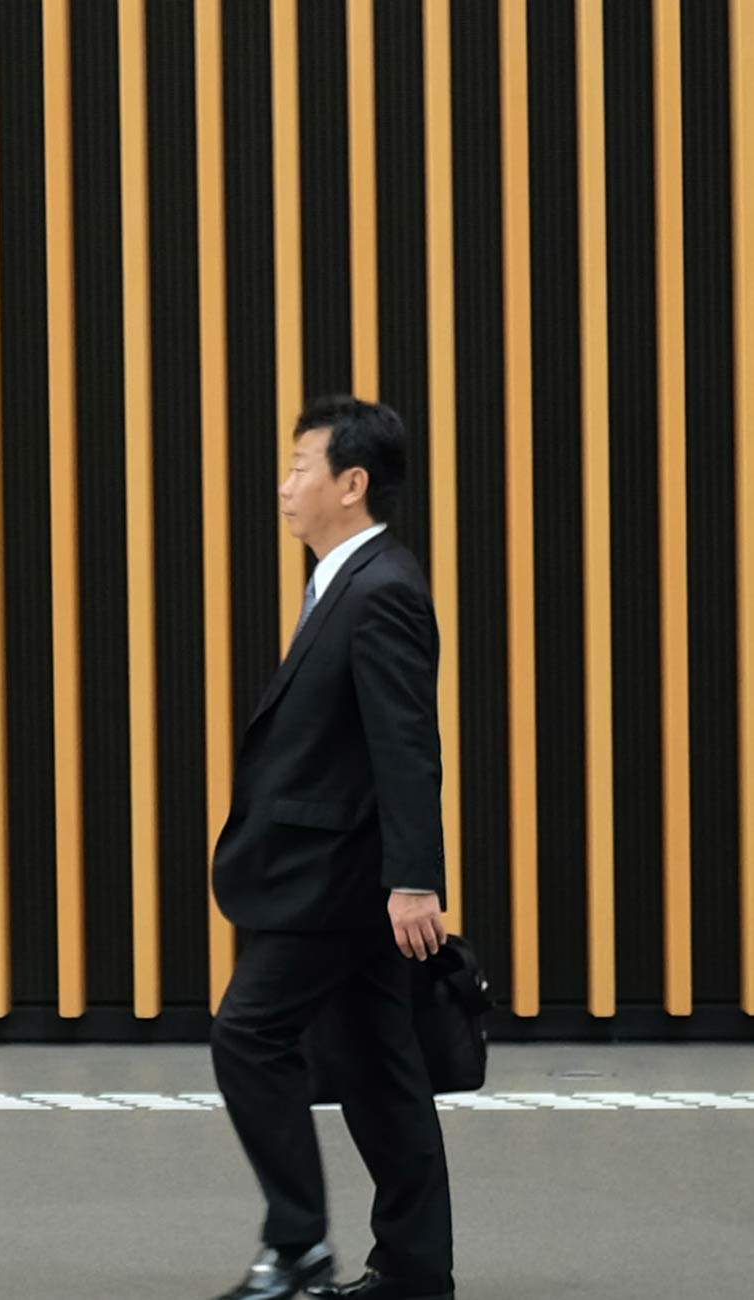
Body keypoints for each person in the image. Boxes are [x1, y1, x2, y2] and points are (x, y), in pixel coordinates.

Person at [207, 397, 454, 1300]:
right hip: (347, 874)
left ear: (351, 483)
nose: (285, 485)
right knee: (380, 1069)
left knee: (248, 1035)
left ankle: (299, 1245)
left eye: (299, 466)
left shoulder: (381, 589)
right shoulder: (348, 581)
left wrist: (415, 880)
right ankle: (415, 1271)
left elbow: (407, 745)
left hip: (335, 879)